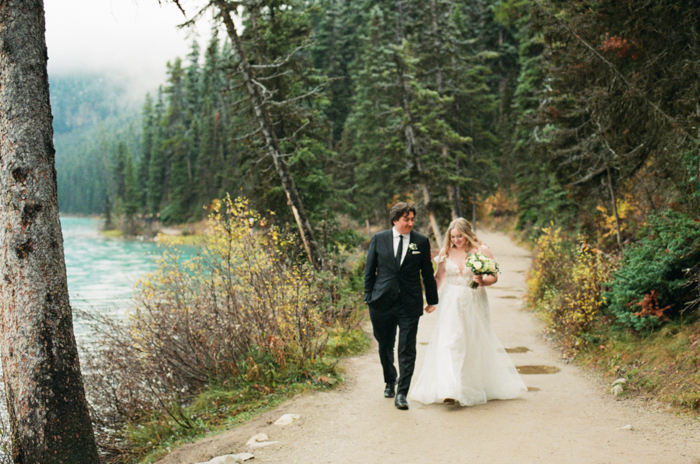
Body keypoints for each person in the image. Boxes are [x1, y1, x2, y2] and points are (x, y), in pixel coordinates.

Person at [409, 218, 527, 406]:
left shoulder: (482, 250)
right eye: (453, 237)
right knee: (451, 342)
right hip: (451, 302)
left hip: (474, 299)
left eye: (459, 236)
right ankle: (449, 390)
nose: (456, 240)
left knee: (473, 342)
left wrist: (483, 281)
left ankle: (469, 385)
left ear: (468, 234)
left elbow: (493, 276)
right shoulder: (446, 252)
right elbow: (439, 277)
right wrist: (431, 299)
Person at [364, 202, 438, 410]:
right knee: (385, 345)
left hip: (409, 303)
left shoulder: (421, 241)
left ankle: (402, 393)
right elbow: (369, 270)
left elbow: (427, 272)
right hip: (381, 302)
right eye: (406, 219)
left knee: (407, 348)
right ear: (395, 220)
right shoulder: (379, 239)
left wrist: (432, 299)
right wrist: (368, 296)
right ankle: (390, 380)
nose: (410, 223)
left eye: (413, 219)